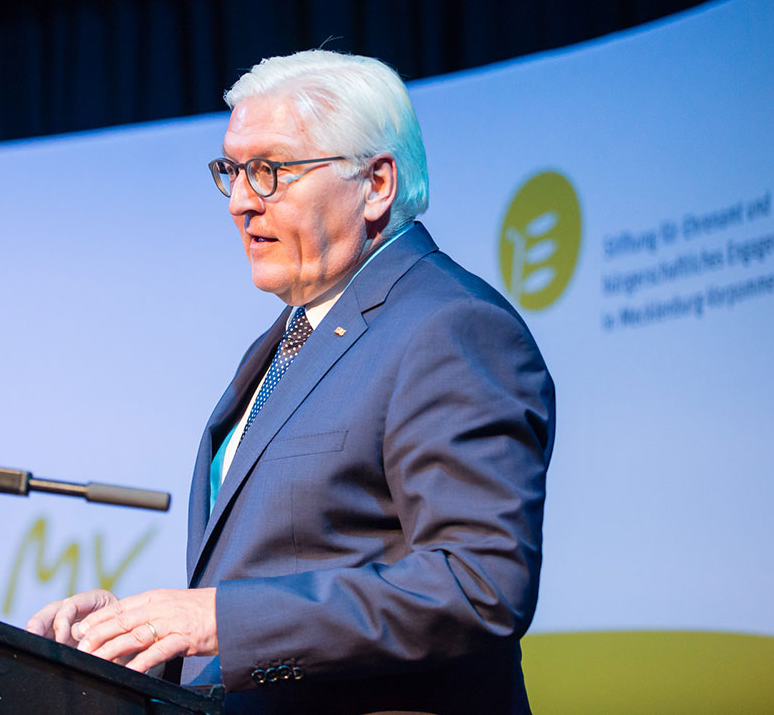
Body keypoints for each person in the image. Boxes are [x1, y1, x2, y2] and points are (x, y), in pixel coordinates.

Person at [28, 50, 555, 714]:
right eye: (232, 171)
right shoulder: (285, 340)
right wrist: (150, 637)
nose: (241, 202)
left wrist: (220, 618)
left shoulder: (449, 328)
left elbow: (477, 583)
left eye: (270, 171)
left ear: (377, 183)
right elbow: (282, 582)